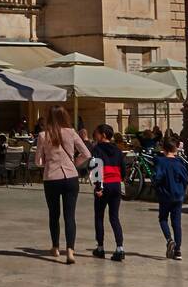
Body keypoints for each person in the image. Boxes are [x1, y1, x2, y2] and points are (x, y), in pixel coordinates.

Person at [35, 105, 91, 264]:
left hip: (52, 177)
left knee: (54, 214)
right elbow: (86, 153)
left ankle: (55, 247)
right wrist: (74, 163)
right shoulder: (71, 132)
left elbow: (38, 161)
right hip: (70, 176)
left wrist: (47, 162)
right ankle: (71, 251)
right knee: (70, 215)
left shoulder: (43, 135)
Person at [88, 124, 126, 261]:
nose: (95, 136)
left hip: (104, 186)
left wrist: (98, 187)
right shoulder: (118, 150)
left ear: (103, 135)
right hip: (116, 185)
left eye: (96, 134)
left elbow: (96, 168)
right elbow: (123, 170)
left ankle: (100, 248)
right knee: (114, 217)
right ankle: (120, 248)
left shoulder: (97, 149)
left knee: (99, 216)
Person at [152, 133, 188, 260]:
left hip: (165, 195)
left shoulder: (161, 162)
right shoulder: (180, 163)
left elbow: (157, 177)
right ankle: (178, 250)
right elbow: (185, 179)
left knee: (163, 218)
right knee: (177, 223)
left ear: (164, 149)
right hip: (178, 196)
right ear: (175, 149)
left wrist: (157, 186)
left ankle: (169, 239)